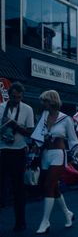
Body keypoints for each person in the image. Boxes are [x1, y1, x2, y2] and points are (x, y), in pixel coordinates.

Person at [31, 90, 78, 234]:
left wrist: (77, 152)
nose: (43, 104)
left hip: (59, 154)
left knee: (48, 185)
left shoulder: (66, 119)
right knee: (53, 187)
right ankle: (67, 214)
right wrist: (35, 147)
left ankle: (45, 221)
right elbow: (38, 135)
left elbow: (72, 139)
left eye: (44, 101)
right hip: (45, 154)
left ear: (52, 101)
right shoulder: (44, 116)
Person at [0, 82, 34, 232]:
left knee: (18, 189)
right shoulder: (1, 108)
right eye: (14, 97)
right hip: (2, 151)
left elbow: (30, 132)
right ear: (9, 94)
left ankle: (20, 222)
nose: (16, 99)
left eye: (19, 97)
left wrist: (15, 126)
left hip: (18, 151)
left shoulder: (28, 109)